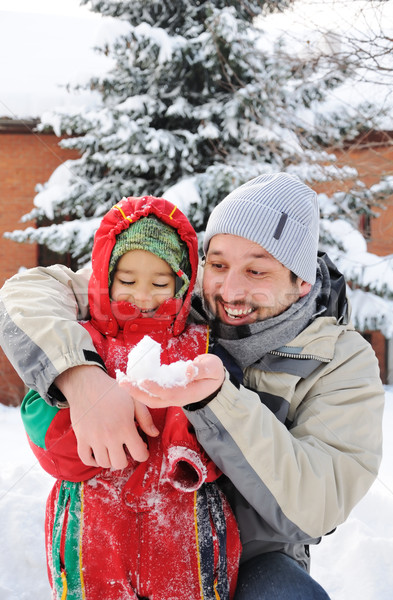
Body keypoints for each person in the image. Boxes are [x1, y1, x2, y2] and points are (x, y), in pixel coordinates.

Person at [0, 173, 384, 599]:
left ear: (302, 280)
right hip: (131, 530)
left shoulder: (340, 359)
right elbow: (30, 292)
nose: (229, 290)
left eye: (257, 270)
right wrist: (81, 376)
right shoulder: (172, 290)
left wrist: (216, 400)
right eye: (218, 264)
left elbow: (316, 506)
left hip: (257, 555)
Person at [18, 195, 241, 600]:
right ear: (104, 278)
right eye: (127, 280)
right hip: (93, 533)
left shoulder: (203, 347)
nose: (143, 295)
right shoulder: (82, 345)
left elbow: (230, 427)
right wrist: (90, 428)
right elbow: (45, 436)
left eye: (160, 283)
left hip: (183, 535)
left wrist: (185, 445)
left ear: (182, 283)